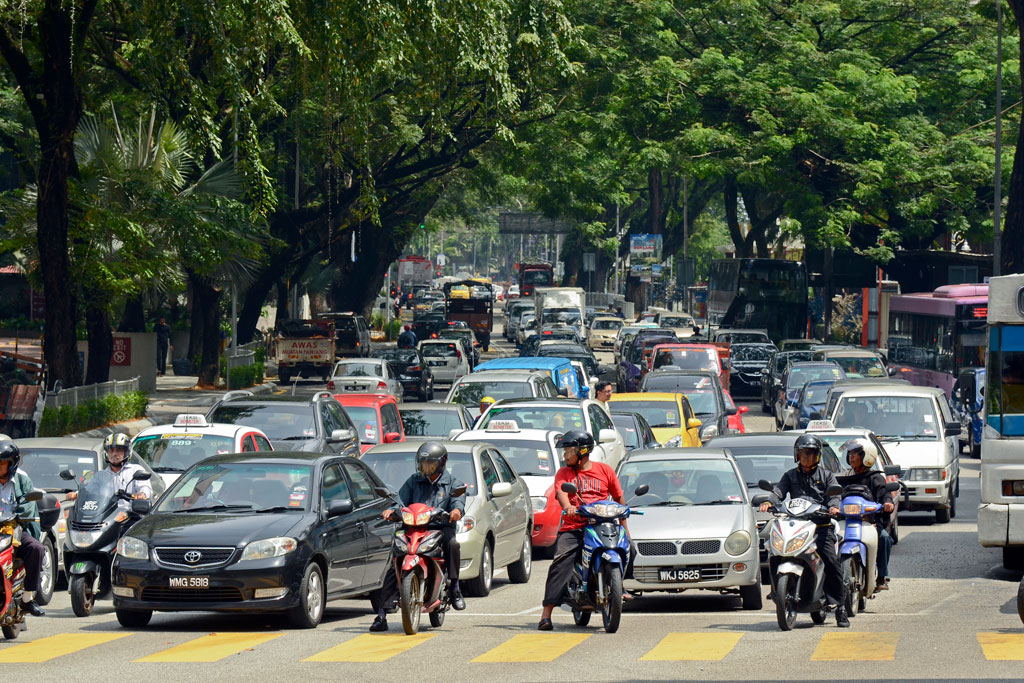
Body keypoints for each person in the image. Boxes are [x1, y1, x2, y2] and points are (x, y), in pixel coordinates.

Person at [371, 442, 466, 632]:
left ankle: (455, 587)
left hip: (439, 528)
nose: (425, 468)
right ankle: (381, 613)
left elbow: (458, 501)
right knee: (395, 559)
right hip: (412, 528)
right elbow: (400, 500)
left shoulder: (453, 483)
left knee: (452, 544)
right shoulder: (414, 481)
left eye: (429, 464)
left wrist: (456, 511)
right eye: (423, 464)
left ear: (441, 463)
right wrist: (391, 510)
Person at [538, 430, 627, 630]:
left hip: (602, 524)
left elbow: (619, 497)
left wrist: (624, 526)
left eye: (568, 450)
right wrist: (567, 507)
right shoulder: (564, 473)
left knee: (629, 548)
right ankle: (546, 614)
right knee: (561, 561)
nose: (565, 455)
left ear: (582, 451)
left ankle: (621, 588)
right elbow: (561, 492)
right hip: (574, 526)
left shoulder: (605, 470)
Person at [759, 433, 849, 627]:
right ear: (796, 455)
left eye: (810, 453)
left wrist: (833, 507)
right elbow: (778, 493)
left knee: (831, 562)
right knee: (773, 551)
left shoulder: (826, 475)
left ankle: (840, 607)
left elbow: (834, 493)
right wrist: (769, 502)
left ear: (817, 456)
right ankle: (777, 590)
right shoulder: (790, 475)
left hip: (821, 526)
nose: (806, 457)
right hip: (796, 524)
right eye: (802, 453)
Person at [840, 438, 895, 591]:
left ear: (867, 456)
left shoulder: (876, 477)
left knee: (884, 538)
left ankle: (881, 577)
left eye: (856, 453)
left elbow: (885, 494)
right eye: (850, 453)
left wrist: (887, 503)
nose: (851, 457)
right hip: (847, 521)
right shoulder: (844, 477)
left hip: (871, 522)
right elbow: (834, 494)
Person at [0, 442, 45, 616]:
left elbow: (28, 505)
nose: (0, 467)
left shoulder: (22, 479)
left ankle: (27, 598)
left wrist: (18, 515)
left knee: (36, 548)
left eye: (2, 463)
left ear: (12, 464)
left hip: (15, 528)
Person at [102, 433, 153, 510]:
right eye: (111, 450)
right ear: (107, 453)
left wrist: (142, 494)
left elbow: (145, 488)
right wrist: (79, 494)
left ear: (127, 452)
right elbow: (91, 490)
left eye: (119, 450)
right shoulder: (102, 474)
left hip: (130, 513)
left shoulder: (135, 470)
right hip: (106, 516)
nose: (114, 454)